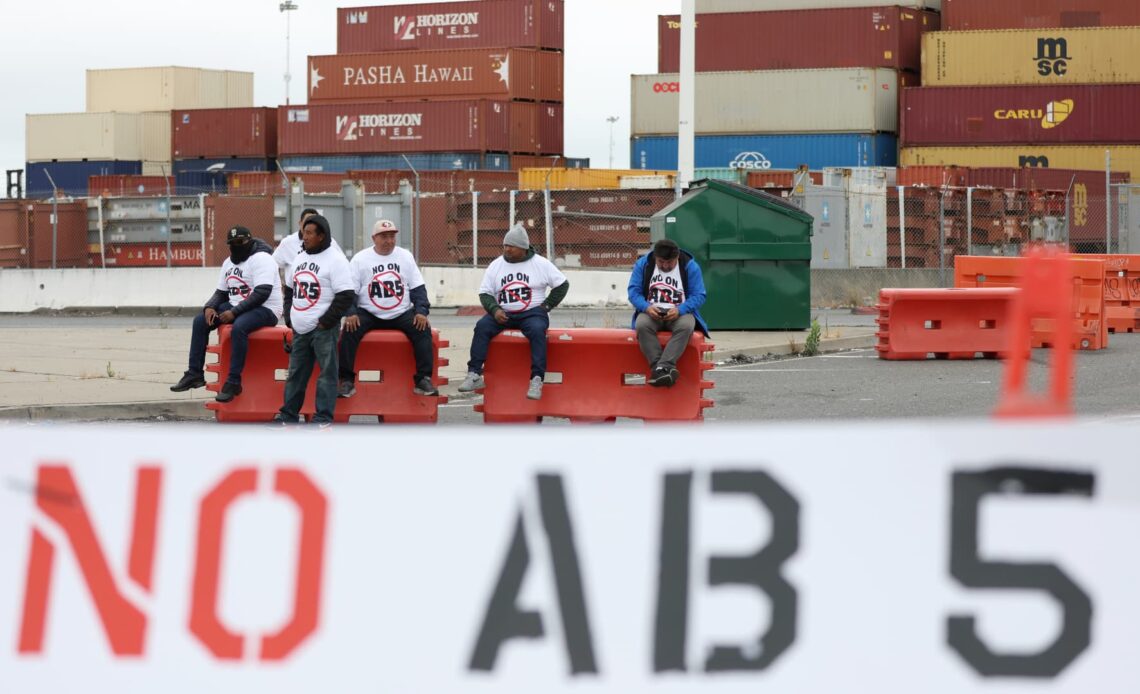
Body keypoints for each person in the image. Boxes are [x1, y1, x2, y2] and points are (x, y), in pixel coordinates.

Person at [170, 226, 282, 402]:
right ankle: (194, 374)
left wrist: (233, 312)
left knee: (239, 327)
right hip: (235, 306)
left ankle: (233, 382)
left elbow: (262, 293)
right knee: (200, 321)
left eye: (241, 242)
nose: (237, 246)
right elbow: (221, 292)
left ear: (250, 240)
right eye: (232, 243)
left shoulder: (262, 259)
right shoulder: (229, 262)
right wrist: (209, 306)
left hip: (267, 309)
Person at [458, 224, 569, 400]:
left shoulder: (540, 264)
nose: (506, 249)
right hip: (504, 313)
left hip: (532, 312)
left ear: (523, 248)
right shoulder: (496, 265)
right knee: (481, 327)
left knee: (537, 331)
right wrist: (494, 310)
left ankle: (536, 379)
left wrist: (546, 306)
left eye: (511, 246)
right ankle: (474, 374)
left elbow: (562, 284)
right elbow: (485, 293)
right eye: (505, 245)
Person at [338, 219, 438, 398]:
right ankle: (346, 380)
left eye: (392, 237)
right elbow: (349, 291)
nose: (389, 241)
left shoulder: (405, 256)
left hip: (400, 312)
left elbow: (417, 288)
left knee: (423, 329)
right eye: (384, 237)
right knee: (349, 330)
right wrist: (351, 312)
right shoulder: (360, 259)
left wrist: (421, 311)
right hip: (369, 312)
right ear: (374, 238)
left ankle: (423, 379)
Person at [275, 214, 356, 426]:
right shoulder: (300, 258)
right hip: (300, 330)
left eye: (310, 233)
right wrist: (290, 316)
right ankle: (288, 417)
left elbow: (346, 294)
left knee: (327, 376)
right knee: (295, 376)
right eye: (304, 233)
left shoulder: (335, 260)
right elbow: (290, 289)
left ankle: (323, 420)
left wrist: (325, 322)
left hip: (323, 330)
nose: (305, 237)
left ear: (322, 236)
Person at [627, 238, 709, 387]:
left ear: (677, 257)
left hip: (679, 312)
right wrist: (646, 307)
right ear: (655, 257)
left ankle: (663, 366)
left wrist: (680, 310)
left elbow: (699, 295)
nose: (665, 266)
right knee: (642, 324)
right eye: (661, 262)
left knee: (686, 326)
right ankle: (660, 369)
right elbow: (633, 292)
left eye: (669, 263)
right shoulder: (643, 264)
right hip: (651, 311)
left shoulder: (690, 266)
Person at [272, 207, 343, 275]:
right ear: (300, 223)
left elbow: (342, 263)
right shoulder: (288, 243)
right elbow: (273, 265)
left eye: (314, 222)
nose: (309, 224)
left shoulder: (330, 242)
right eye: (307, 221)